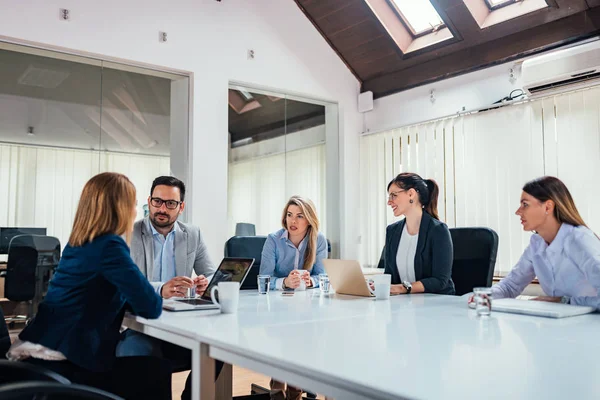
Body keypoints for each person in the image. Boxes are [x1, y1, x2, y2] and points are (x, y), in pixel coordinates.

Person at [7, 172, 169, 399]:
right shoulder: (110, 245)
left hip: (41, 352)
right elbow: (150, 306)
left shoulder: (79, 242)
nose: (135, 211)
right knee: (154, 370)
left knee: (147, 367)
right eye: (133, 204)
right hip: (64, 363)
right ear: (119, 207)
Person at [116, 175, 218, 400]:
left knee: (218, 351)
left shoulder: (192, 234)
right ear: (149, 201)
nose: (162, 208)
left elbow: (211, 273)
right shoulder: (127, 233)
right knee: (139, 354)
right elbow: (123, 286)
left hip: (180, 324)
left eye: (170, 203)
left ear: (181, 207)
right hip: (139, 325)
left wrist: (205, 284)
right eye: (157, 201)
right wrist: (161, 289)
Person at [482, 176, 600, 308]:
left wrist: (565, 301)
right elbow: (511, 286)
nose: (518, 212)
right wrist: (482, 297)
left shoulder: (579, 239)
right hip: (560, 323)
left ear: (548, 207)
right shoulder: (537, 244)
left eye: (525, 205)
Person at [259, 196, 327, 400]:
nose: (293, 221)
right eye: (289, 215)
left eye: (299, 216)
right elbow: (264, 278)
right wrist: (285, 283)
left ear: (309, 220)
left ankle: (296, 391)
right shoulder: (273, 239)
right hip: (276, 307)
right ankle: (278, 390)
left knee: (303, 337)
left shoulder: (319, 240)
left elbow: (323, 276)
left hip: (306, 308)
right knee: (286, 338)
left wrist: (309, 281)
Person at [379, 172, 455, 295]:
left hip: (437, 304)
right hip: (404, 304)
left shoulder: (438, 230)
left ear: (411, 194)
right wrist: (376, 285)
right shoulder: (392, 231)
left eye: (393, 195)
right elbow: (390, 276)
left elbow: (440, 280)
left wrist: (402, 288)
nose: (389, 202)